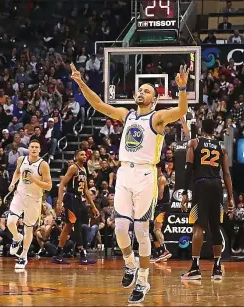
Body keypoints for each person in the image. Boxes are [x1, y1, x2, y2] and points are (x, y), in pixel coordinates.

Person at [70, 63, 188, 303]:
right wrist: (81, 83)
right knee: (120, 229)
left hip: (145, 175)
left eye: (146, 91)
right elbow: (99, 105)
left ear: (154, 99)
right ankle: (130, 263)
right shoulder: (127, 114)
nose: (141, 92)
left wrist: (183, 89)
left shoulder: (157, 118)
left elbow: (181, 110)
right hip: (124, 173)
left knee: (142, 230)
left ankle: (143, 280)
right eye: (140, 89)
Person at [181, 119, 234, 280]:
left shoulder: (194, 143)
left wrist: (184, 192)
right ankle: (217, 268)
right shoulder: (222, 147)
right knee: (215, 226)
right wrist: (231, 197)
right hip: (217, 185)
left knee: (198, 226)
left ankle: (195, 267)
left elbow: (189, 168)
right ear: (214, 131)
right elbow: (226, 174)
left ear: (201, 129)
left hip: (201, 184)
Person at [7, 139, 52, 269]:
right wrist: (12, 183)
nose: (34, 149)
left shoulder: (43, 165)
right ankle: (16, 237)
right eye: (32, 146)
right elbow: (17, 172)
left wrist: (34, 180)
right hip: (20, 195)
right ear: (29, 148)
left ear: (39, 150)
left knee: (28, 228)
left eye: (36, 147)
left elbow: (49, 186)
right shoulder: (21, 159)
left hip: (34, 199)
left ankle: (24, 256)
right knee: (11, 221)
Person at [52, 150, 99, 265]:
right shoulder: (74, 168)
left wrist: (93, 207)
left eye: (84, 155)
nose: (84, 156)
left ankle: (58, 254)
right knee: (75, 225)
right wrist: (59, 202)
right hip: (70, 198)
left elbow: (86, 190)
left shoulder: (84, 170)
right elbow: (62, 184)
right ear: (76, 156)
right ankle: (82, 255)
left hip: (78, 199)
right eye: (81, 154)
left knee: (69, 226)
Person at [150, 161, 172, 263]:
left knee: (157, 229)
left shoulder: (161, 179)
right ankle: (159, 252)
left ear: (159, 168)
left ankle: (165, 250)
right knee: (152, 230)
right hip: (159, 207)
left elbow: (160, 196)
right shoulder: (156, 178)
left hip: (163, 207)